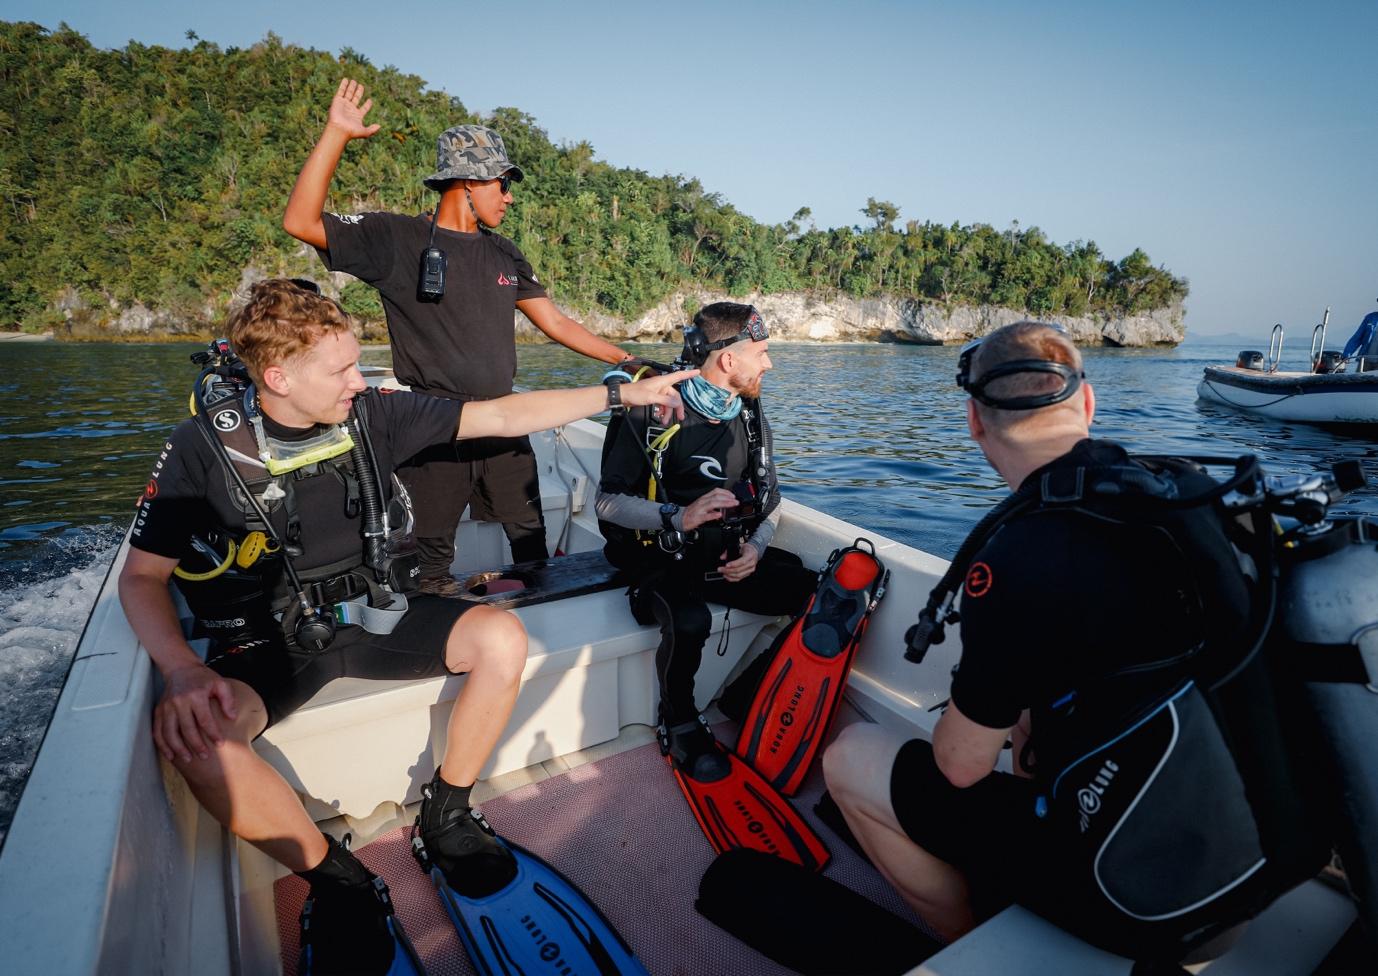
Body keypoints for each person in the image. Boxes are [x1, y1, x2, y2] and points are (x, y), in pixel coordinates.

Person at [118, 279, 689, 973]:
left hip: (380, 614)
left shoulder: (373, 416)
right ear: (278, 377)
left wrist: (618, 395)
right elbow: (142, 577)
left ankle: (446, 815)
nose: (360, 381)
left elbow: (503, 416)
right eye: (341, 370)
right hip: (269, 641)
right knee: (199, 745)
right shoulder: (198, 448)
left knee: (500, 638)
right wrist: (181, 668)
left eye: (358, 364)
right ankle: (341, 880)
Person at [821, 321, 1257, 947]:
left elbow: (962, 767)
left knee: (851, 757)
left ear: (974, 422)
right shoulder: (1186, 496)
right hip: (1251, 867)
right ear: (1087, 403)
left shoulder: (1020, 556)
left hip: (1142, 902)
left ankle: (975, 949)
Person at [283, 78, 631, 594]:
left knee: (530, 540)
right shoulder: (396, 240)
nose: (509, 198)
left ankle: (535, 631)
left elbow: (556, 323)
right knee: (430, 557)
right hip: (430, 423)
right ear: (468, 182)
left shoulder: (503, 253)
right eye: (502, 184)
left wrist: (631, 360)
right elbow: (300, 220)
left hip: (504, 423)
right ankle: (442, 639)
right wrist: (336, 133)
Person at [595, 302, 818, 771]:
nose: (769, 363)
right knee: (690, 620)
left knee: (815, 591)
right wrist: (678, 515)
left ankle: (743, 700)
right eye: (762, 352)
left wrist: (755, 549)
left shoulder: (749, 413)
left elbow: (770, 501)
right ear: (728, 359)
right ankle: (677, 722)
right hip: (658, 556)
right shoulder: (652, 407)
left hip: (724, 556)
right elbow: (607, 502)